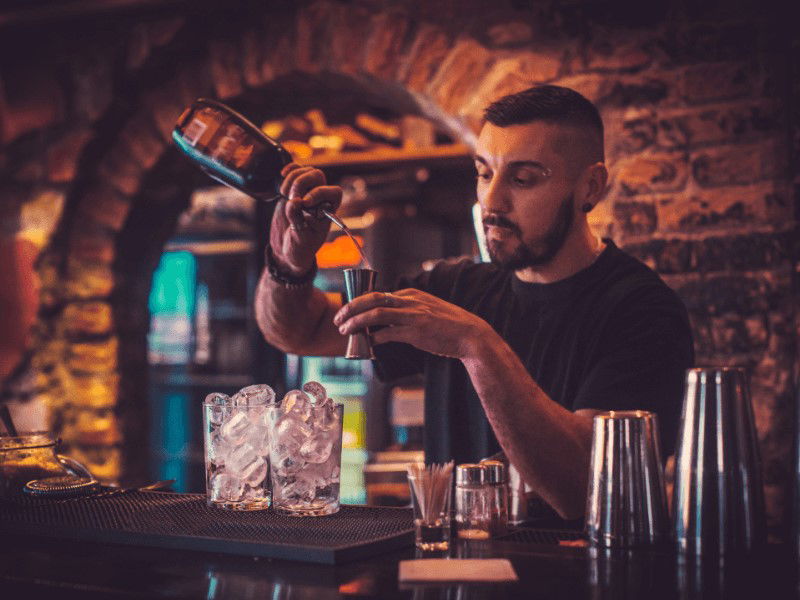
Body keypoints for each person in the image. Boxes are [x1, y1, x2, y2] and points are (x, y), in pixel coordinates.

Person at [255, 85, 694, 521]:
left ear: (590, 187)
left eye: (522, 179)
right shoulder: (455, 288)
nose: (493, 200)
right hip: (450, 577)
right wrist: (288, 264)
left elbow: (590, 491)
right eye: (485, 173)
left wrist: (476, 345)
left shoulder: (643, 311)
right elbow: (301, 331)